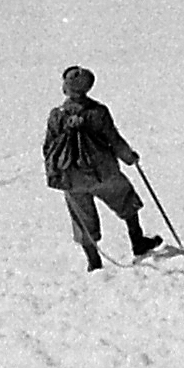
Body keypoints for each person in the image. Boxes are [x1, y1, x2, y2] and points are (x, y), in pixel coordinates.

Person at [43, 65, 162, 272]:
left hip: (72, 178)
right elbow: (114, 140)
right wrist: (129, 157)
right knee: (127, 200)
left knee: (82, 220)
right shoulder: (98, 112)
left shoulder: (56, 116)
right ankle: (138, 242)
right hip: (103, 173)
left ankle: (94, 262)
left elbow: (48, 147)